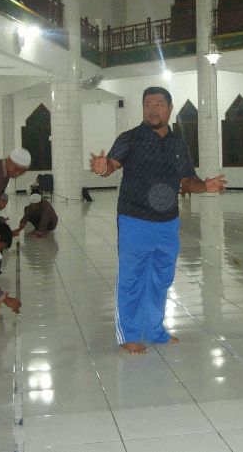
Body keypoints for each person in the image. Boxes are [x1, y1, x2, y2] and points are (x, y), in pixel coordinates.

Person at [89, 86, 227, 354]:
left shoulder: (178, 143)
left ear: (170, 108)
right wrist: (102, 168)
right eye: (147, 104)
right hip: (134, 218)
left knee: (160, 278)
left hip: (168, 222)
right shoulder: (129, 138)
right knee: (132, 278)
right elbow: (111, 167)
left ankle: (154, 330)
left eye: (158, 104)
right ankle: (129, 334)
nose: (152, 109)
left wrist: (205, 187)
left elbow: (188, 180)